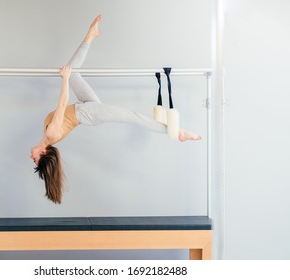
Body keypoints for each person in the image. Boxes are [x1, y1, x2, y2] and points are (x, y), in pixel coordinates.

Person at [30, 15, 202, 204]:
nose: (32, 157)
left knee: (73, 72)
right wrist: (64, 79)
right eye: (36, 159)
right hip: (89, 113)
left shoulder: (45, 137)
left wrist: (67, 76)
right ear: (44, 153)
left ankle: (91, 35)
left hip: (85, 105)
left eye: (34, 159)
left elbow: (63, 109)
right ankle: (179, 132)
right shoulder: (52, 134)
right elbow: (62, 104)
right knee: (132, 116)